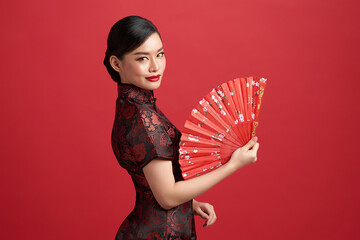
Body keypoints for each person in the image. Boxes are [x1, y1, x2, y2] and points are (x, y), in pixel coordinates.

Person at [103, 15, 260, 240]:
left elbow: (153, 185)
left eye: (160, 54)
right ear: (116, 63)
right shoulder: (144, 119)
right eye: (142, 59)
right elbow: (167, 197)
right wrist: (233, 165)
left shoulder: (130, 106)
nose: (155, 66)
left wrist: (190, 204)